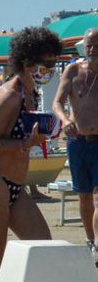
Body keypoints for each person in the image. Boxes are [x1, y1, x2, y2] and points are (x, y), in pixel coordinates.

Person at [0, 26, 63, 282]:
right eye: (47, 63)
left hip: (14, 187)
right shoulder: (10, 94)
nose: (51, 69)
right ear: (27, 61)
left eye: (54, 63)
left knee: (43, 247)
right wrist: (25, 144)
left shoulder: (29, 93)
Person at [54, 26, 98, 257]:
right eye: (89, 45)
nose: (92, 49)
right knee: (83, 195)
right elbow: (57, 103)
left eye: (97, 45)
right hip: (78, 142)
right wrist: (64, 121)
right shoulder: (72, 70)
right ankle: (90, 239)